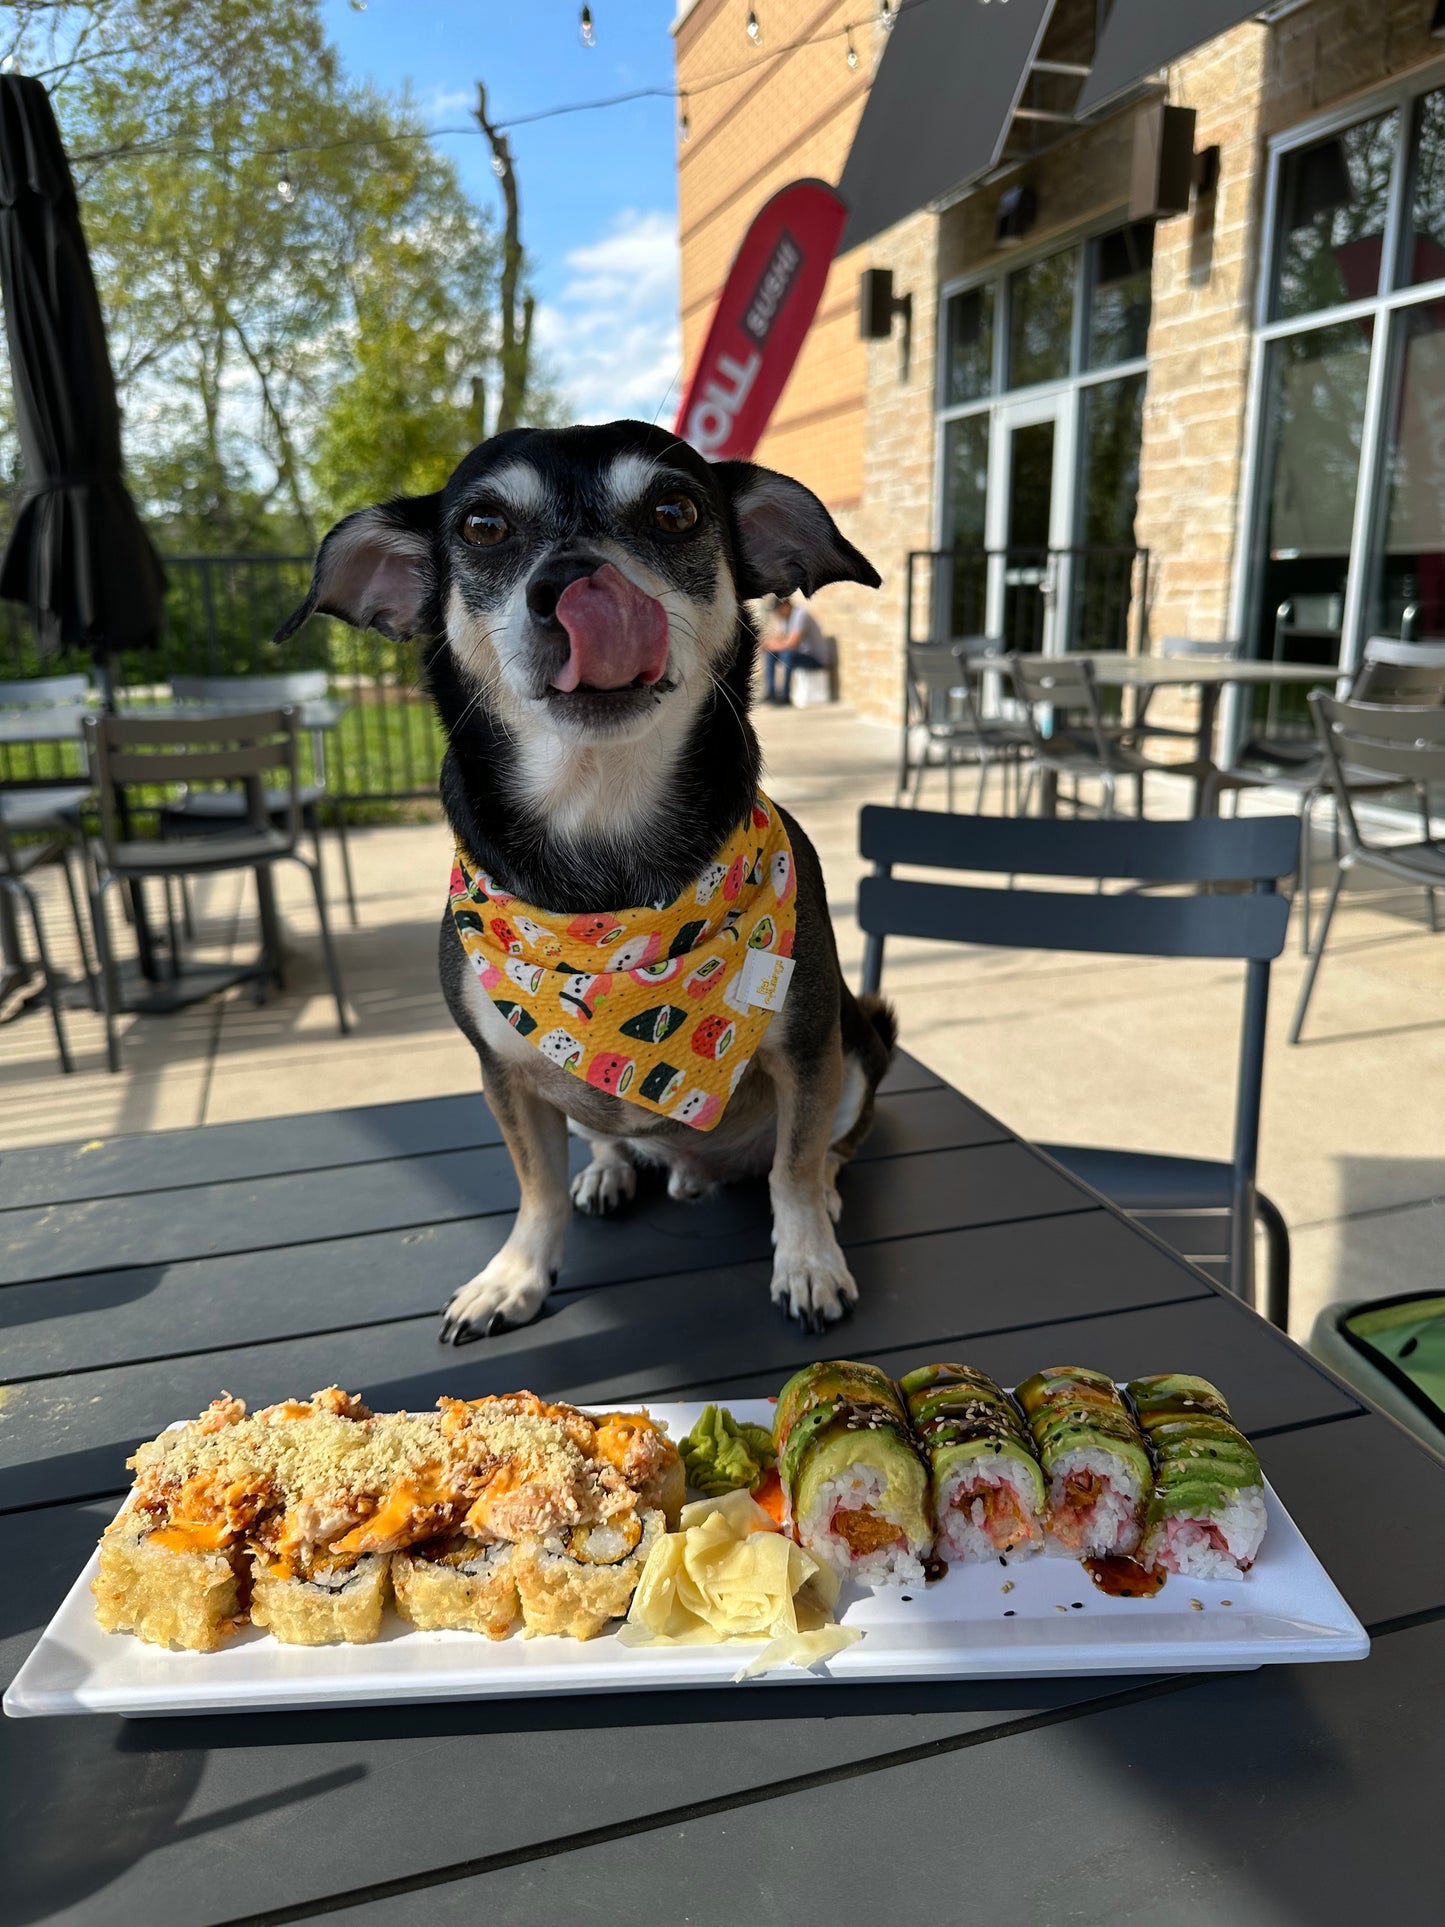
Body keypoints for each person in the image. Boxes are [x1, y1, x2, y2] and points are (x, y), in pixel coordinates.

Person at [760, 594, 828, 705]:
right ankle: (771, 692)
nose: (777, 613)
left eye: (778, 610)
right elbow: (779, 639)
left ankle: (786, 696)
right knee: (770, 653)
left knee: (787, 654)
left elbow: (792, 643)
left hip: (815, 658)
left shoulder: (800, 614)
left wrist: (768, 645)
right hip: (799, 655)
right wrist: (767, 645)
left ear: (785, 606)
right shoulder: (785, 619)